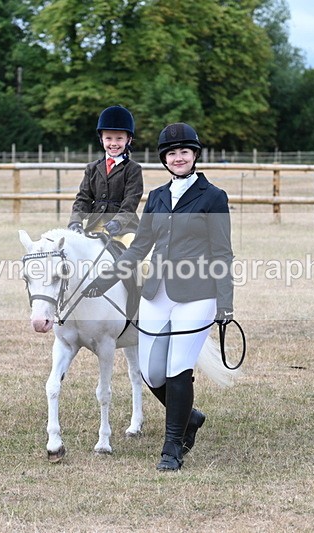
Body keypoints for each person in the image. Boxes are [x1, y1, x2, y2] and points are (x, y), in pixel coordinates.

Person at [82, 122, 234, 471]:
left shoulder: (213, 197)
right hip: (156, 293)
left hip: (197, 295)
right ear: (164, 159)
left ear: (195, 155)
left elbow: (223, 253)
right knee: (152, 373)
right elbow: (138, 249)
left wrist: (225, 303)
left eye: (184, 152)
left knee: (178, 368)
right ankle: (189, 417)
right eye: (172, 153)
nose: (178, 158)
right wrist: (105, 280)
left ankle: (172, 447)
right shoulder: (157, 197)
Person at [68, 105, 144, 251]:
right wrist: (75, 221)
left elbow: (130, 202)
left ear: (128, 140)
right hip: (95, 226)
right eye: (108, 138)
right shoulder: (92, 168)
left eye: (119, 138)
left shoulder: (133, 169)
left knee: (139, 254)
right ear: (101, 139)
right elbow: (83, 198)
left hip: (124, 229)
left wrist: (118, 222)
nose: (113, 143)